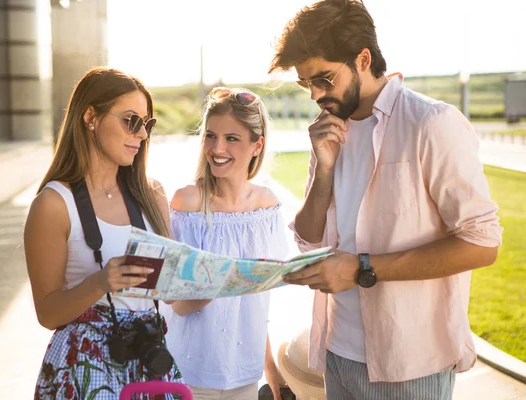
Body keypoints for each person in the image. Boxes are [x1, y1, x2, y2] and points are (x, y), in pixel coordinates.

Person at [268, 1, 503, 399]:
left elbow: (483, 243)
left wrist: (360, 267)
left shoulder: (431, 124)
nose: (315, 95)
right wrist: (324, 171)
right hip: (336, 354)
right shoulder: (326, 130)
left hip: (409, 367)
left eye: (324, 78)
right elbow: (309, 239)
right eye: (305, 83)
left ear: (362, 58)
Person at [24, 67, 182, 399]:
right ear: (90, 117)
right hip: (85, 370)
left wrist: (213, 279)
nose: (141, 135)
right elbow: (48, 313)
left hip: (151, 363)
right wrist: (100, 282)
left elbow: (171, 293)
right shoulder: (53, 204)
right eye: (131, 120)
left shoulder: (152, 195)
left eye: (146, 124)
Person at [160, 87, 288, 400]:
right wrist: (218, 284)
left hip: (244, 375)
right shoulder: (186, 203)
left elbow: (255, 303)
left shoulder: (267, 207)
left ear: (257, 145)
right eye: (210, 135)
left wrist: (271, 370)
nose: (217, 147)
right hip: (189, 376)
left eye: (232, 138)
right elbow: (174, 301)